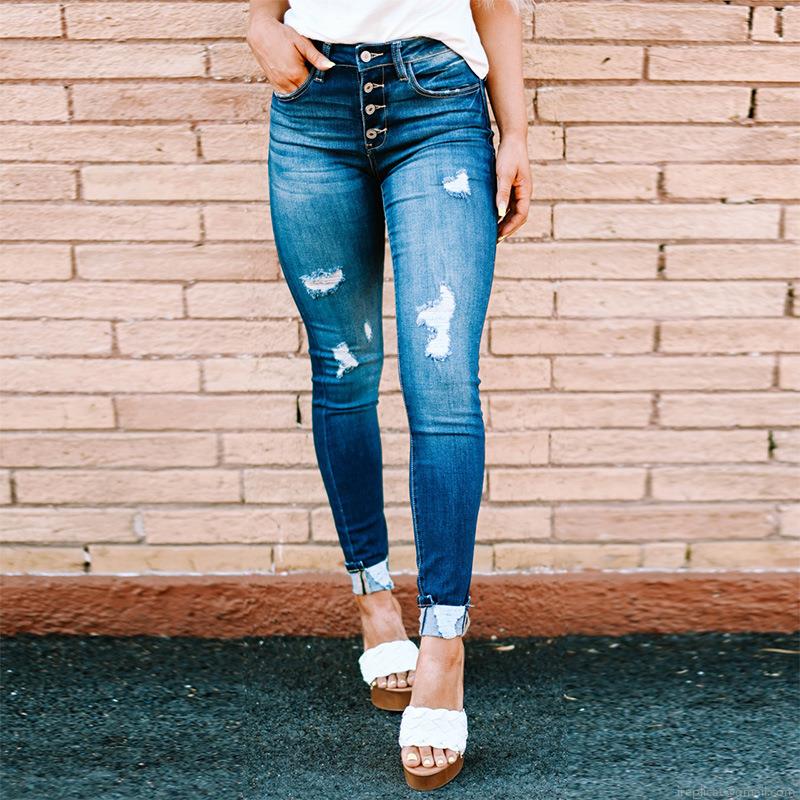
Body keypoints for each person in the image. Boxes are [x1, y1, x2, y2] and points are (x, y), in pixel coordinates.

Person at [247, 0, 531, 789]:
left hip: (438, 104)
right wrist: (259, 24)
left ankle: (443, 646)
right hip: (312, 106)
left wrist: (515, 134)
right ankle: (374, 604)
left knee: (442, 383)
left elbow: (495, 5)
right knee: (343, 368)